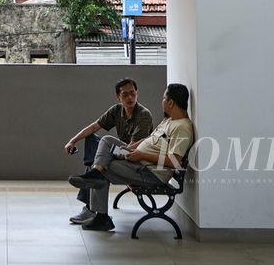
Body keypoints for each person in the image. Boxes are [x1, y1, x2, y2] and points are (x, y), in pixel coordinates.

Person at [68, 83, 194, 231]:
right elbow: (148, 139)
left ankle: (101, 214)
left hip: (151, 173)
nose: (163, 102)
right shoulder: (168, 121)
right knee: (107, 141)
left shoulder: (183, 128)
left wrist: (141, 154)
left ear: (171, 102)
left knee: (104, 166)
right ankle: (96, 180)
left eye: (164, 98)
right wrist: (130, 149)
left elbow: (174, 161)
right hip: (139, 163)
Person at [62, 78, 154, 225]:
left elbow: (133, 148)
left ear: (137, 94)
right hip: (122, 151)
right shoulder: (117, 110)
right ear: (118, 97)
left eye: (132, 93)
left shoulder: (143, 115)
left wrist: (110, 155)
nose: (130, 98)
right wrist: (73, 140)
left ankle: (90, 208)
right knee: (92, 143)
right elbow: (94, 126)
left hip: (134, 157)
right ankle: (95, 180)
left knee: (103, 148)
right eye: (125, 95)